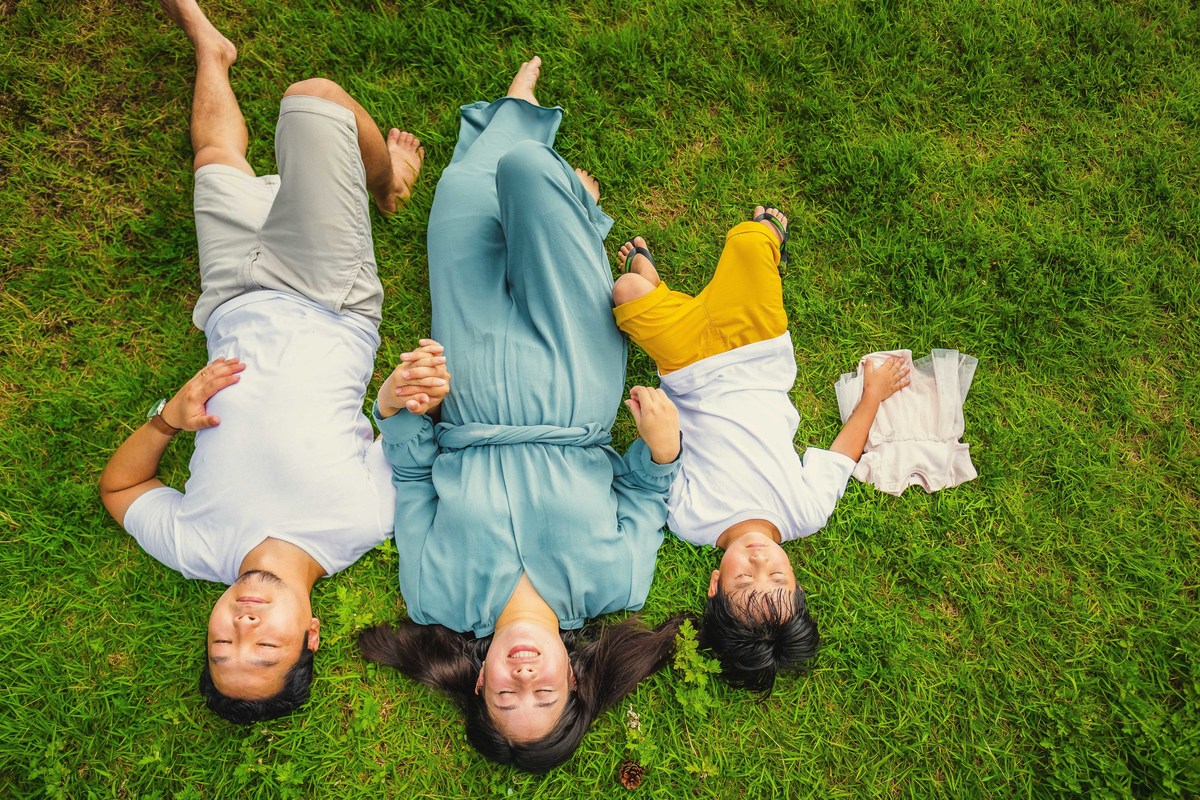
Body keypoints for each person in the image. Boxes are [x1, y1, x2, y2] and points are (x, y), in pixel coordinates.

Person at [356, 57, 685, 773]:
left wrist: (397, 403)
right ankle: (567, 208)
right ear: (576, 680)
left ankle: (524, 120)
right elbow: (647, 491)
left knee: (465, 196)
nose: (525, 681)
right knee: (531, 170)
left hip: (466, 385)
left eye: (508, 699)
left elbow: (411, 478)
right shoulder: (617, 583)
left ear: (479, 683)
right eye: (547, 697)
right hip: (577, 385)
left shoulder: (433, 592)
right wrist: (662, 450)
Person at [98, 0, 424, 723]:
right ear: (310, 634)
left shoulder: (197, 548)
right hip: (327, 297)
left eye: (221, 647)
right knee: (313, 100)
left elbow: (120, 491)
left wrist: (167, 420)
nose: (243, 629)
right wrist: (400, 397)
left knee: (217, 162)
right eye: (265, 650)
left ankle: (212, 53)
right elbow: (401, 432)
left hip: (228, 303)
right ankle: (388, 178)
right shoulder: (365, 521)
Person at [610, 207, 910, 692]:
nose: (758, 563)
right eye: (777, 578)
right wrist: (872, 395)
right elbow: (842, 454)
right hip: (757, 349)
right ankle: (769, 235)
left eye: (744, 582)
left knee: (624, 293)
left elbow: (660, 470)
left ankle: (652, 281)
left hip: (685, 365)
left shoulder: (691, 522)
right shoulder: (806, 512)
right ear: (796, 579)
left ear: (714, 586)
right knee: (749, 242)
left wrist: (658, 440)